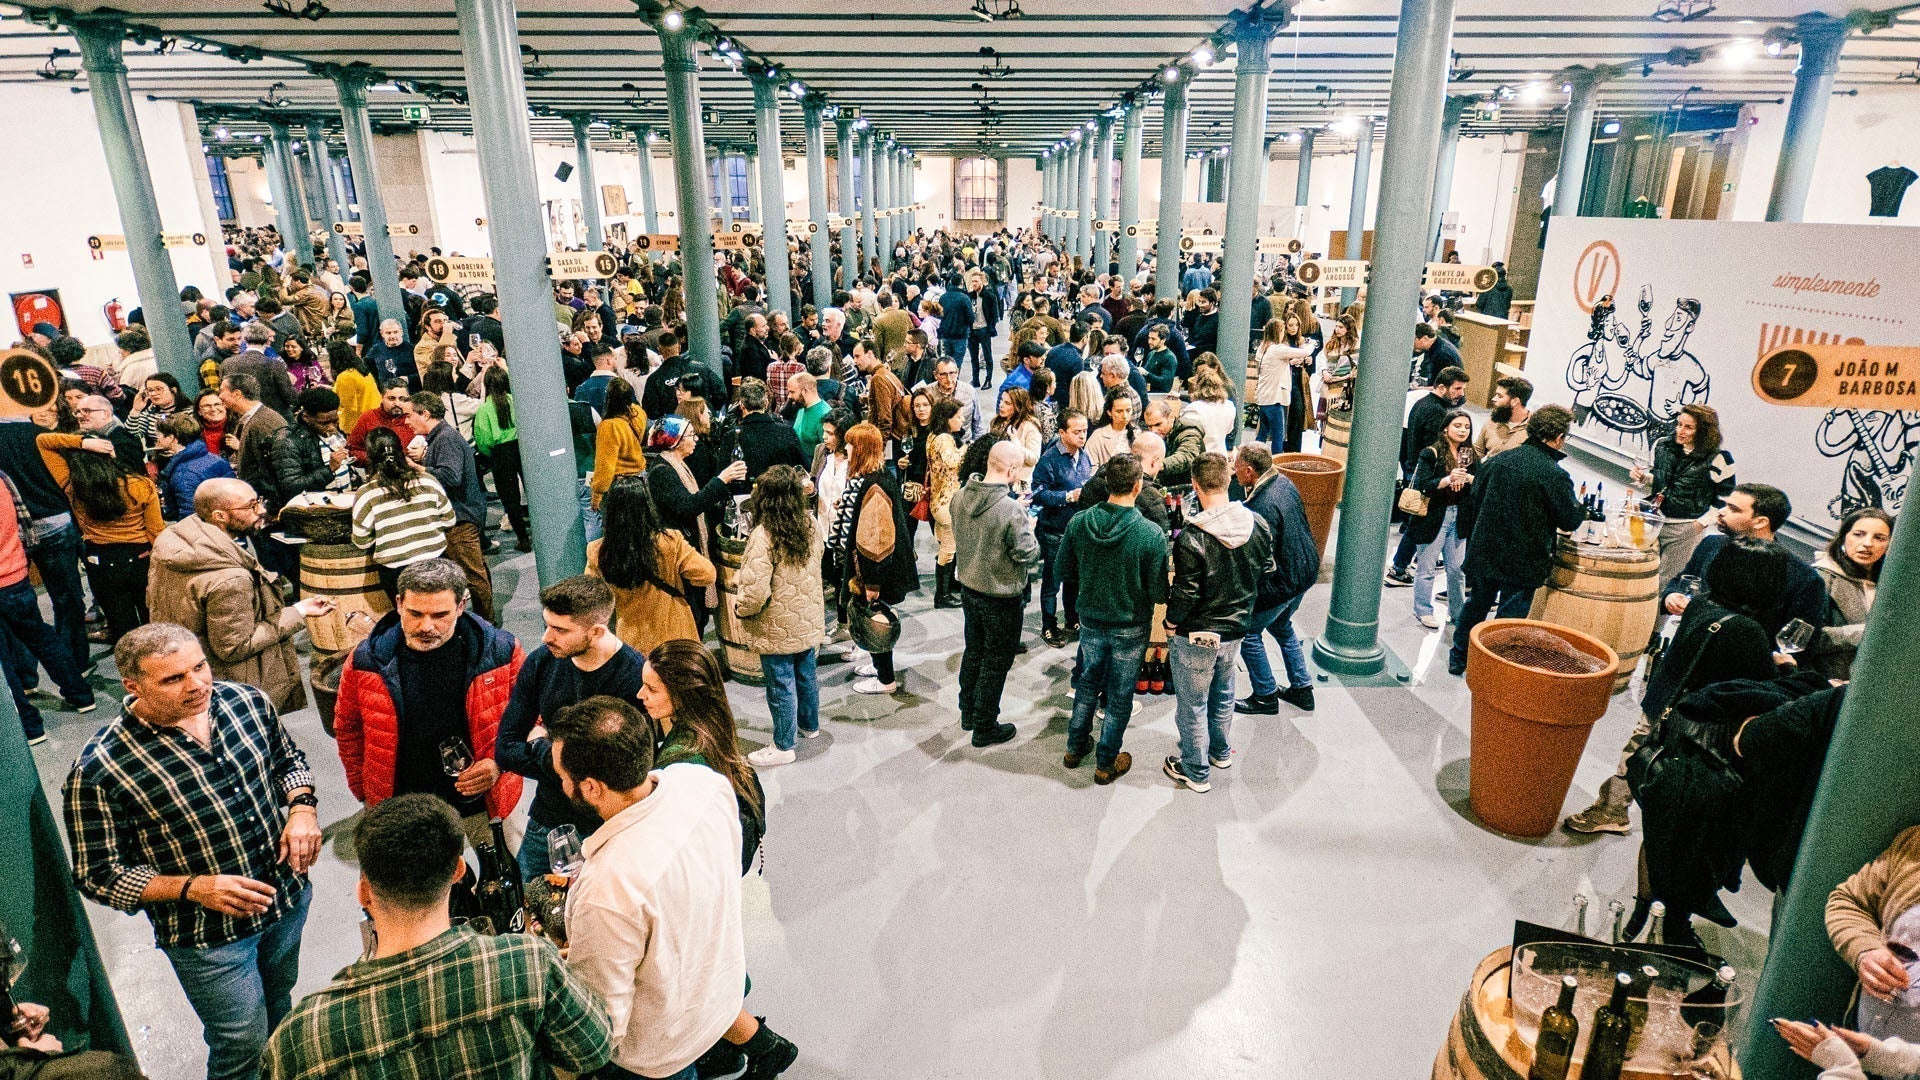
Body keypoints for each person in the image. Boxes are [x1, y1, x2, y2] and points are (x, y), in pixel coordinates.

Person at [63, 624, 319, 1080]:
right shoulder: (100, 768)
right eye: (173, 678)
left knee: (281, 1009)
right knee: (241, 1043)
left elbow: (288, 762)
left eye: (200, 667)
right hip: (209, 938)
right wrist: (192, 888)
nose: (197, 684)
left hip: (286, 898)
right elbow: (98, 874)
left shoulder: (247, 703)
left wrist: (301, 807)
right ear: (132, 687)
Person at [261, 794, 614, 1080]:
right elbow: (594, 1050)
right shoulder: (528, 963)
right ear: (459, 871)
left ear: (364, 893)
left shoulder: (303, 1035)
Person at [548, 696, 764, 1080]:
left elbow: (603, 1025)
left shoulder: (609, 887)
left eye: (564, 778)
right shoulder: (705, 785)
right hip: (718, 997)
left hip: (659, 1052)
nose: (562, 786)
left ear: (593, 788)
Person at [334, 558, 524, 849]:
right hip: (405, 808)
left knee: (504, 884)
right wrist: (367, 795)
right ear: (398, 603)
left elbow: (531, 720)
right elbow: (348, 729)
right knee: (423, 893)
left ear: (461, 606)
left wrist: (500, 763)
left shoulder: (500, 652)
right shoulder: (366, 661)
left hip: (485, 803)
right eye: (415, 613)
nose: (426, 626)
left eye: (440, 615)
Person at [495, 575, 645, 880]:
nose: (546, 637)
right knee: (531, 905)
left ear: (597, 631)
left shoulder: (632, 677)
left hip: (608, 823)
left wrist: (540, 747)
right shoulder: (541, 662)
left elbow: (618, 771)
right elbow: (506, 749)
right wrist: (571, 763)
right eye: (547, 625)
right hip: (548, 820)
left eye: (560, 630)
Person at [148, 478, 327, 711]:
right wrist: (298, 612)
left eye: (258, 501)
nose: (261, 510)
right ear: (219, 516)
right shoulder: (230, 579)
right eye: (250, 506)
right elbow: (234, 647)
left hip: (187, 670)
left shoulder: (174, 540)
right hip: (233, 688)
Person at [1447, 405, 1587, 677]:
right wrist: (1580, 509)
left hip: (1486, 549)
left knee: (1476, 605)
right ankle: (1493, 668)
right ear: (1558, 437)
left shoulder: (1498, 461)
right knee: (1508, 621)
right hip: (1524, 559)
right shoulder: (1553, 474)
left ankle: (1459, 657)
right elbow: (1569, 520)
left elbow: (1475, 500)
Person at [1163, 453, 1272, 793]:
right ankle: (1220, 751)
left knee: (1193, 703)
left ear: (1195, 485)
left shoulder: (1192, 537)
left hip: (1196, 634)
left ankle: (1195, 770)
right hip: (1236, 629)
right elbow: (1266, 570)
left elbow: (1186, 592)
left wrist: (1170, 622)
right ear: (1229, 481)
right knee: (1224, 693)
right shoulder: (1258, 524)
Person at [1059, 453, 1169, 785]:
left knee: (1088, 683)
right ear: (1138, 486)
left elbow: (1063, 570)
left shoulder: (1079, 522)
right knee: (1120, 695)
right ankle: (1106, 762)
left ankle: (1074, 748)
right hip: (1130, 625)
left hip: (1090, 620)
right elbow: (1160, 592)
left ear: (1106, 482)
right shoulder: (1151, 534)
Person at [34, 429, 163, 645]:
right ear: (110, 453)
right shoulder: (140, 484)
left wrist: (81, 443)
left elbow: (43, 441)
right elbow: (156, 530)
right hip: (141, 556)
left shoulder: (72, 486)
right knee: (154, 619)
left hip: (101, 562)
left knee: (121, 626)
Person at [733, 466, 825, 765]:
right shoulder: (810, 523)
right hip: (807, 616)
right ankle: (809, 726)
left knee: (780, 684)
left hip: (776, 623)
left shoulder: (763, 535)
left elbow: (755, 589)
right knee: (806, 675)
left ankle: (783, 746)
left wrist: (741, 610)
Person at [951, 441, 1040, 748]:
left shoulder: (959, 497)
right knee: (996, 662)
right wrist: (1030, 527)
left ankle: (968, 712)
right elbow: (1028, 554)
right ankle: (985, 725)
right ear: (1012, 469)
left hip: (969, 588)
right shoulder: (1011, 509)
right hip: (1001, 596)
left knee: (973, 652)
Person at [1659, 483, 1827, 640]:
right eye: (1726, 505)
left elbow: (1798, 638)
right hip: (1690, 648)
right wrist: (1671, 596)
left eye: (1734, 509)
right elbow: (1683, 579)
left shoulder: (1803, 578)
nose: (1721, 512)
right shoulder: (1711, 544)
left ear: (1761, 522)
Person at [828, 422, 918, 695]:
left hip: (872, 570)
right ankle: (879, 667)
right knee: (873, 617)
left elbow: (876, 540)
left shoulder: (874, 485)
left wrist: (872, 581)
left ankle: (886, 679)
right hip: (869, 568)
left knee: (875, 619)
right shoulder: (873, 478)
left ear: (862, 449)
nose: (847, 448)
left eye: (851, 444)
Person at [1230, 444, 1319, 715]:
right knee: (1282, 626)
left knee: (1247, 633)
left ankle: (1265, 695)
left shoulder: (1261, 507)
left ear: (1248, 470)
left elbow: (1260, 560)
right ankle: (1302, 689)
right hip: (1305, 570)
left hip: (1283, 581)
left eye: (1236, 468)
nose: (1233, 473)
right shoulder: (1284, 482)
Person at [589, 475, 716, 656]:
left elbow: (594, 596)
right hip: (675, 634)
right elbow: (707, 574)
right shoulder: (670, 541)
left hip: (631, 638)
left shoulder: (597, 550)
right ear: (648, 506)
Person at [644, 415, 744, 635]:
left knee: (697, 613)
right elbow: (687, 506)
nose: (696, 439)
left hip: (686, 545)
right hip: (678, 552)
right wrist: (721, 480)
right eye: (691, 435)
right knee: (692, 613)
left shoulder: (677, 465)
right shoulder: (663, 471)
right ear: (675, 440)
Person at [406, 392, 494, 621]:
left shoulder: (445, 438)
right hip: (463, 513)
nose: (407, 421)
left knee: (473, 575)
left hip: (460, 516)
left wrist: (418, 468)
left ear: (424, 413)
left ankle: (487, 624)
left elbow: (450, 476)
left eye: (409, 415)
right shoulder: (442, 437)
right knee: (476, 570)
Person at [1631, 402, 1737, 586]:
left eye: (1688, 427)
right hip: (1654, 520)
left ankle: (1656, 617)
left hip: (1685, 527)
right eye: (1679, 424)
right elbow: (1662, 480)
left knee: (1666, 582)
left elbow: (1725, 499)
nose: (1680, 431)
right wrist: (1643, 478)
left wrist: (1701, 523)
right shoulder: (1664, 446)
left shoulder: (1720, 458)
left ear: (1703, 430)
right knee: (1640, 574)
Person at [1386, 366, 1469, 588]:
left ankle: (1404, 564)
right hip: (1427, 475)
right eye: (1457, 388)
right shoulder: (1439, 414)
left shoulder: (1422, 403)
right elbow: (1439, 450)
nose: (1461, 393)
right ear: (1441, 387)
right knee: (1420, 522)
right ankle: (1399, 568)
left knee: (1417, 521)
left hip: (1414, 468)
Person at [351, 427, 456, 598]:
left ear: (370, 456)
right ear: (401, 450)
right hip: (436, 561)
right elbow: (449, 520)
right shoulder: (428, 481)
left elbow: (361, 541)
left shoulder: (366, 493)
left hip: (396, 572)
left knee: (410, 620)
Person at [1409, 410, 1480, 631]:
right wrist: (1447, 480)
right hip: (1435, 514)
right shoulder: (1431, 453)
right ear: (1446, 428)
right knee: (1427, 568)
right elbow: (1423, 483)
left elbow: (1480, 483)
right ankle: (1423, 610)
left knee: (1457, 570)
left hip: (1459, 516)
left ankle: (1458, 613)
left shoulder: (1469, 455)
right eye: (1457, 425)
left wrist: (1467, 478)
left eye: (1466, 427)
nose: (1462, 430)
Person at [1809, 507, 1893, 680]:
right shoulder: (1820, 577)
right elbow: (1806, 638)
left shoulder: (1891, 581)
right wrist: (1866, 632)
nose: (1868, 543)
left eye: (1879, 538)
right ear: (1843, 536)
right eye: (1859, 534)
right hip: (1828, 682)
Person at [1032, 409, 1092, 648]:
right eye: (1077, 432)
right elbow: (1037, 493)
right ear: (1062, 432)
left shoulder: (1083, 455)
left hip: (1078, 531)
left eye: (1085, 431)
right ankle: (1048, 625)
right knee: (1052, 581)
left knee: (1074, 580)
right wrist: (1068, 496)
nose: (1082, 436)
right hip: (1054, 531)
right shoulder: (1049, 459)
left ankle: (1071, 619)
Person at [473, 366, 530, 553]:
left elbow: (484, 440)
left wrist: (490, 456)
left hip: (500, 454)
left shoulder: (484, 409)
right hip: (521, 448)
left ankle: (523, 539)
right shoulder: (517, 401)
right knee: (532, 491)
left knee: (510, 498)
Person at [219, 373, 286, 516]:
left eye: (222, 391)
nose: (219, 396)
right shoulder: (255, 420)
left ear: (237, 394)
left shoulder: (262, 423)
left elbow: (271, 470)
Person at [271, 387, 351, 502]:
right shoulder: (289, 441)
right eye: (324, 423)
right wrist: (329, 469)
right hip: (316, 510)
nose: (332, 427)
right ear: (306, 418)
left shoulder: (331, 432)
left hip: (342, 502)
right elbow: (291, 487)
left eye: (335, 421)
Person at [925, 398, 967, 609]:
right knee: (948, 549)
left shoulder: (932, 436)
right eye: (958, 417)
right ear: (947, 419)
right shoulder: (944, 439)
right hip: (947, 502)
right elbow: (952, 462)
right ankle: (942, 595)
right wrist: (966, 448)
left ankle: (948, 585)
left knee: (946, 545)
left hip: (938, 499)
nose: (962, 420)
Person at [157, 413, 235, 520]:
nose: (158, 440)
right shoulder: (215, 459)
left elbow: (191, 519)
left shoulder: (183, 475)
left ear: (171, 438)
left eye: (159, 435)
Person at [589, 378, 651, 510]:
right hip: (642, 479)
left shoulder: (609, 426)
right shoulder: (638, 413)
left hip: (620, 487)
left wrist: (597, 493)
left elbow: (605, 465)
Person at [734, 378, 806, 477]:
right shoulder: (787, 432)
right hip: (783, 490)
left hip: (744, 491)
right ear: (766, 403)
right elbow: (803, 468)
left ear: (742, 405)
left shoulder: (732, 436)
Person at [1183, 366, 1238, 456]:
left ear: (1197, 386)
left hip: (1200, 458)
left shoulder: (1194, 408)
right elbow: (1229, 430)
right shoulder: (1230, 406)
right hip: (1220, 456)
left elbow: (1186, 436)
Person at [1474, 376, 1533, 459]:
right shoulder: (1493, 420)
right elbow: (1478, 451)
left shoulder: (1535, 428)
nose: (1493, 399)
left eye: (1499, 396)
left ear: (1515, 402)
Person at [992, 388, 1043, 483]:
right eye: (1001, 400)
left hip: (1019, 482)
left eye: (1007, 403)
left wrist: (1016, 443)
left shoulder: (1030, 426)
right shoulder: (997, 421)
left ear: (1018, 406)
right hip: (997, 477)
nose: (1001, 405)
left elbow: (1034, 459)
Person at [1085, 387, 1135, 467]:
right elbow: (1090, 466)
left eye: (1128, 410)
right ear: (1109, 412)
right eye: (1119, 411)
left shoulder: (1137, 434)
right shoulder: (1098, 436)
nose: (1125, 416)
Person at [1413, 322, 1462, 387]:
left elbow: (1442, 387)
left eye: (1415, 340)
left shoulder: (1443, 353)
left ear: (1424, 338)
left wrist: (1419, 389)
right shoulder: (1435, 346)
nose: (1413, 344)